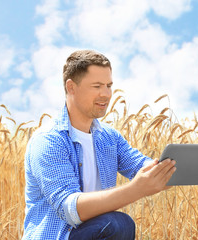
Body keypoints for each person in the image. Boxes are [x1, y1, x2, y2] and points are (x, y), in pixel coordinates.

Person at [22, 50, 176, 240]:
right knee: (118, 224)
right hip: (59, 236)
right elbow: (71, 210)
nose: (106, 94)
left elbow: (138, 165)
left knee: (115, 224)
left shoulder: (109, 137)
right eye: (96, 86)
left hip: (92, 232)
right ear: (71, 87)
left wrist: (164, 171)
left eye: (109, 86)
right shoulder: (48, 140)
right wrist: (137, 189)